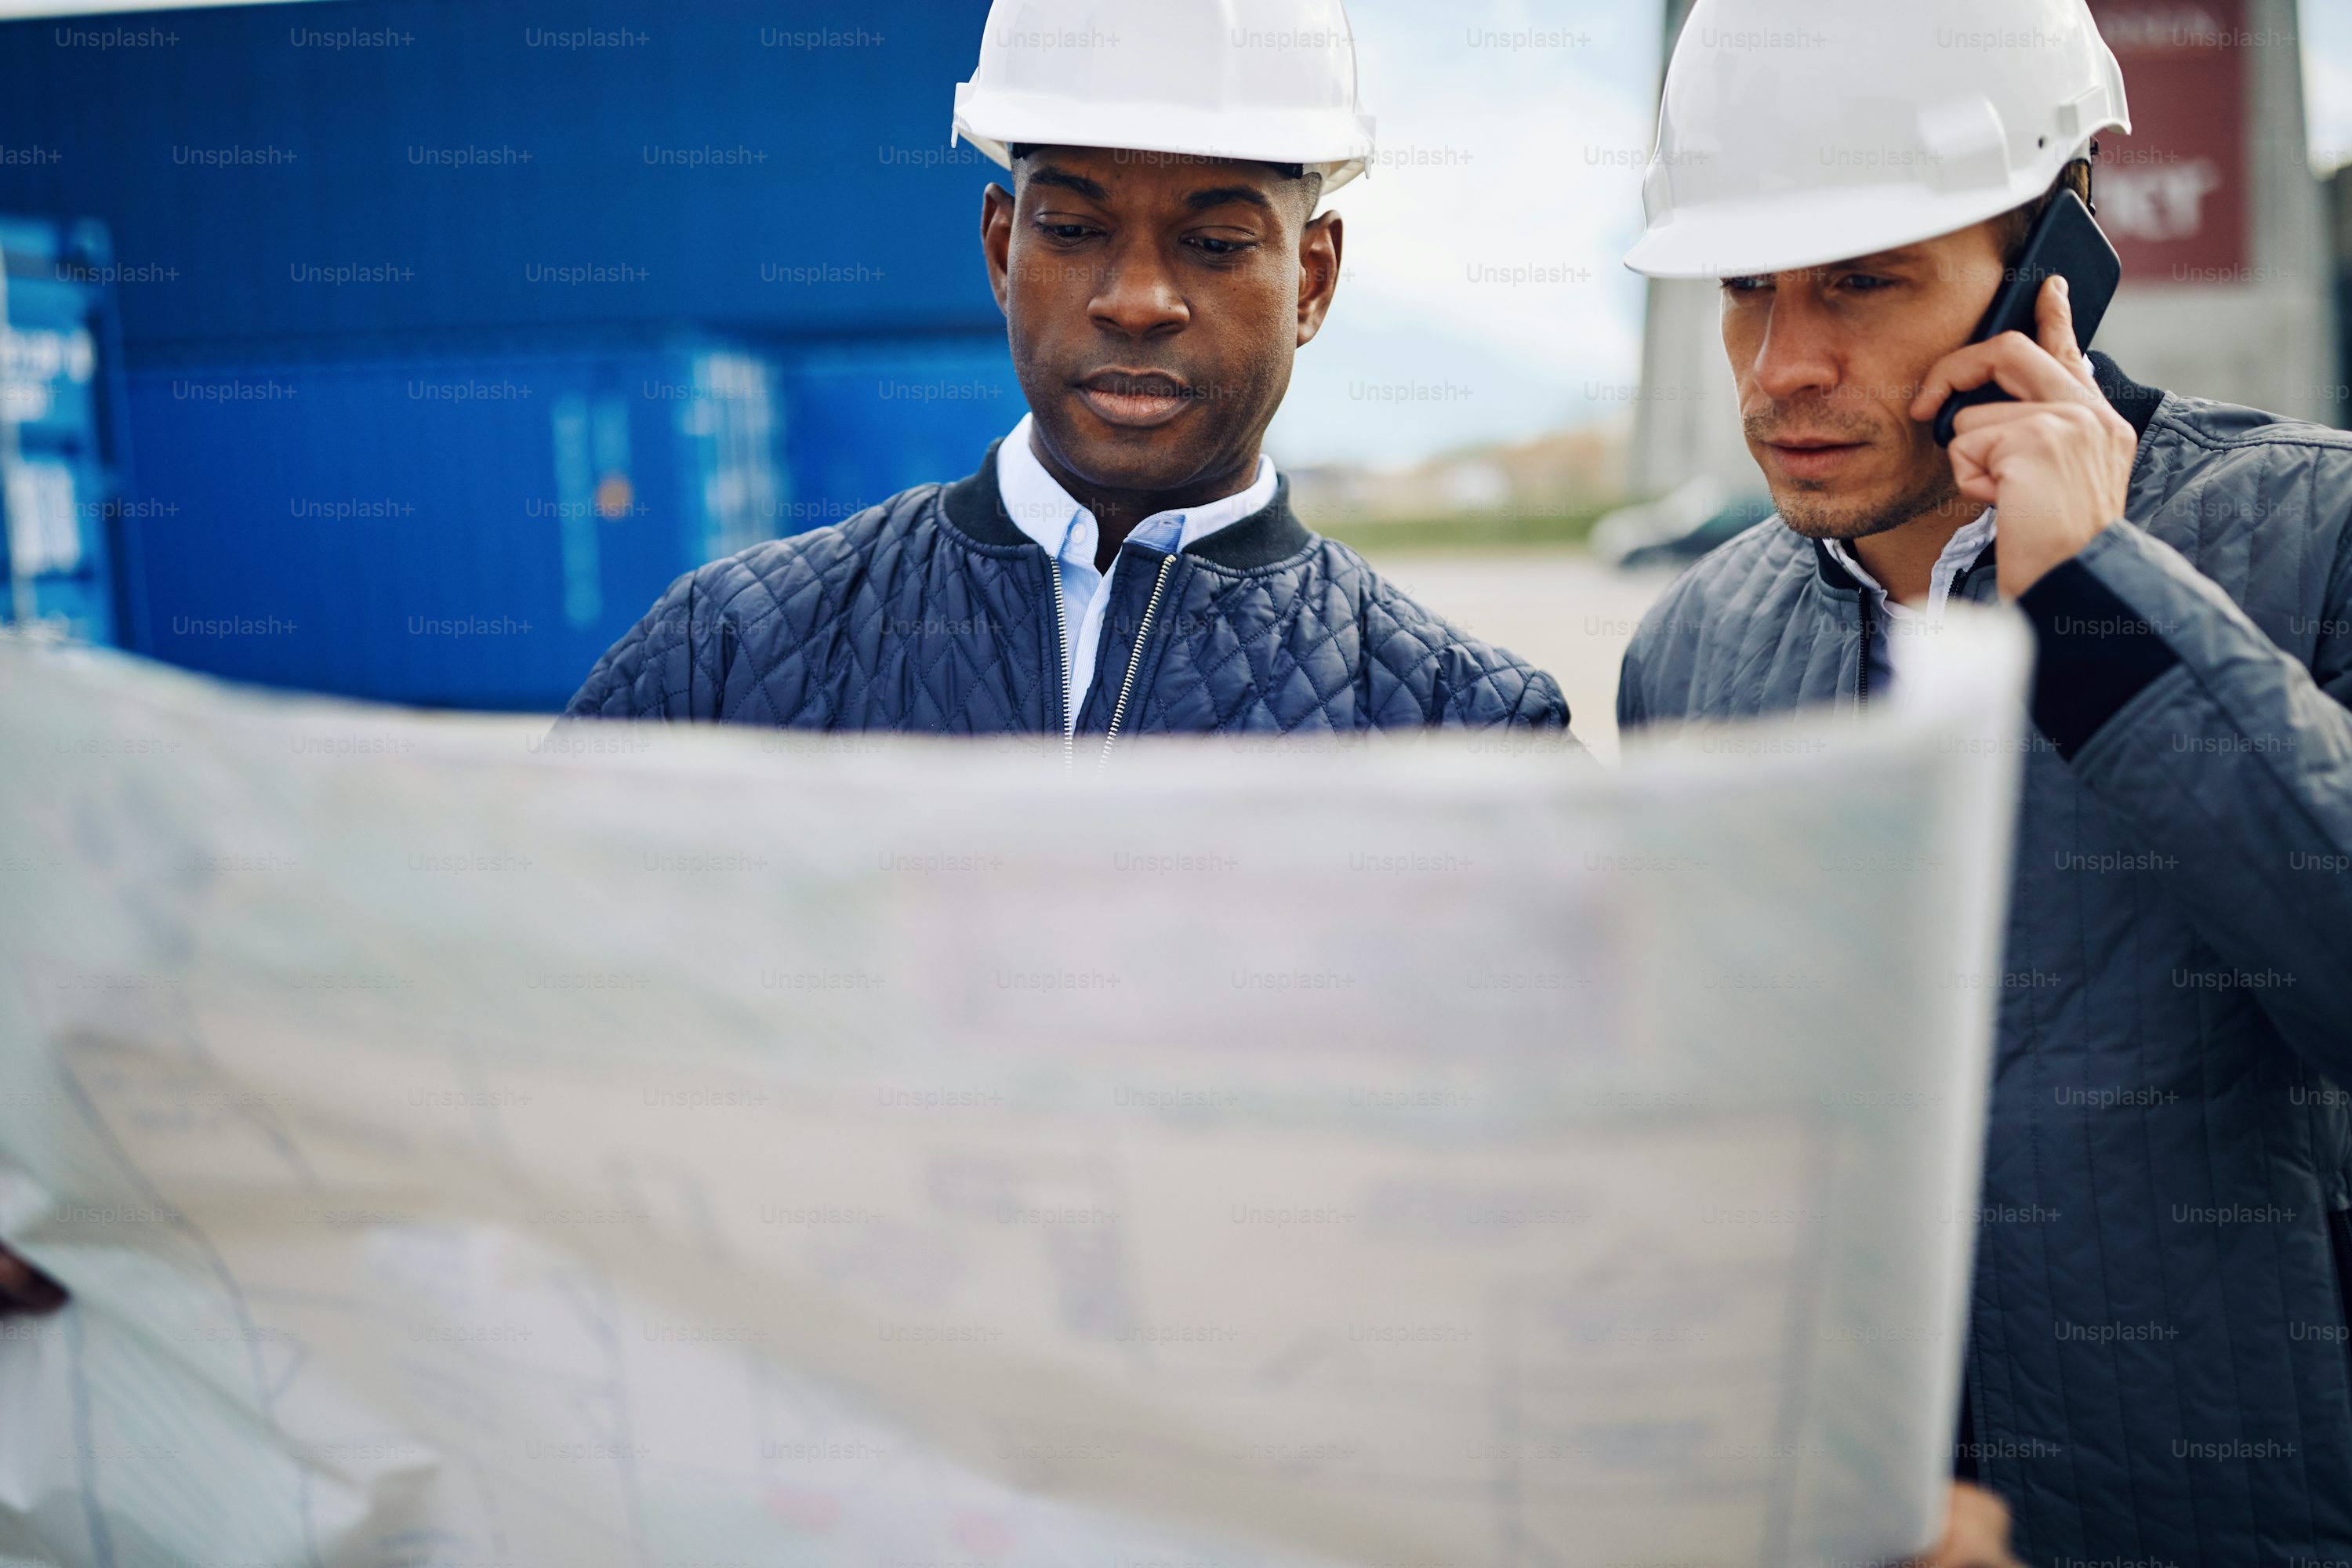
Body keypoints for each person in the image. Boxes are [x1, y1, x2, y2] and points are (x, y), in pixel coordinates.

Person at [1614, 2, 2352, 1563]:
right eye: (1747, 285)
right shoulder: (1691, 649)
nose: (1783, 364)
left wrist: (2102, 604)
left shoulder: (2319, 536)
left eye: (1866, 282)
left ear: (2055, 254)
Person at [562, 0, 1568, 745]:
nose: (1137, 300)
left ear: (1311, 279)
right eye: (1077, 228)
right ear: (1003, 251)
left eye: (1215, 243)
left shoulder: (1467, 728)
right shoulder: (724, 655)